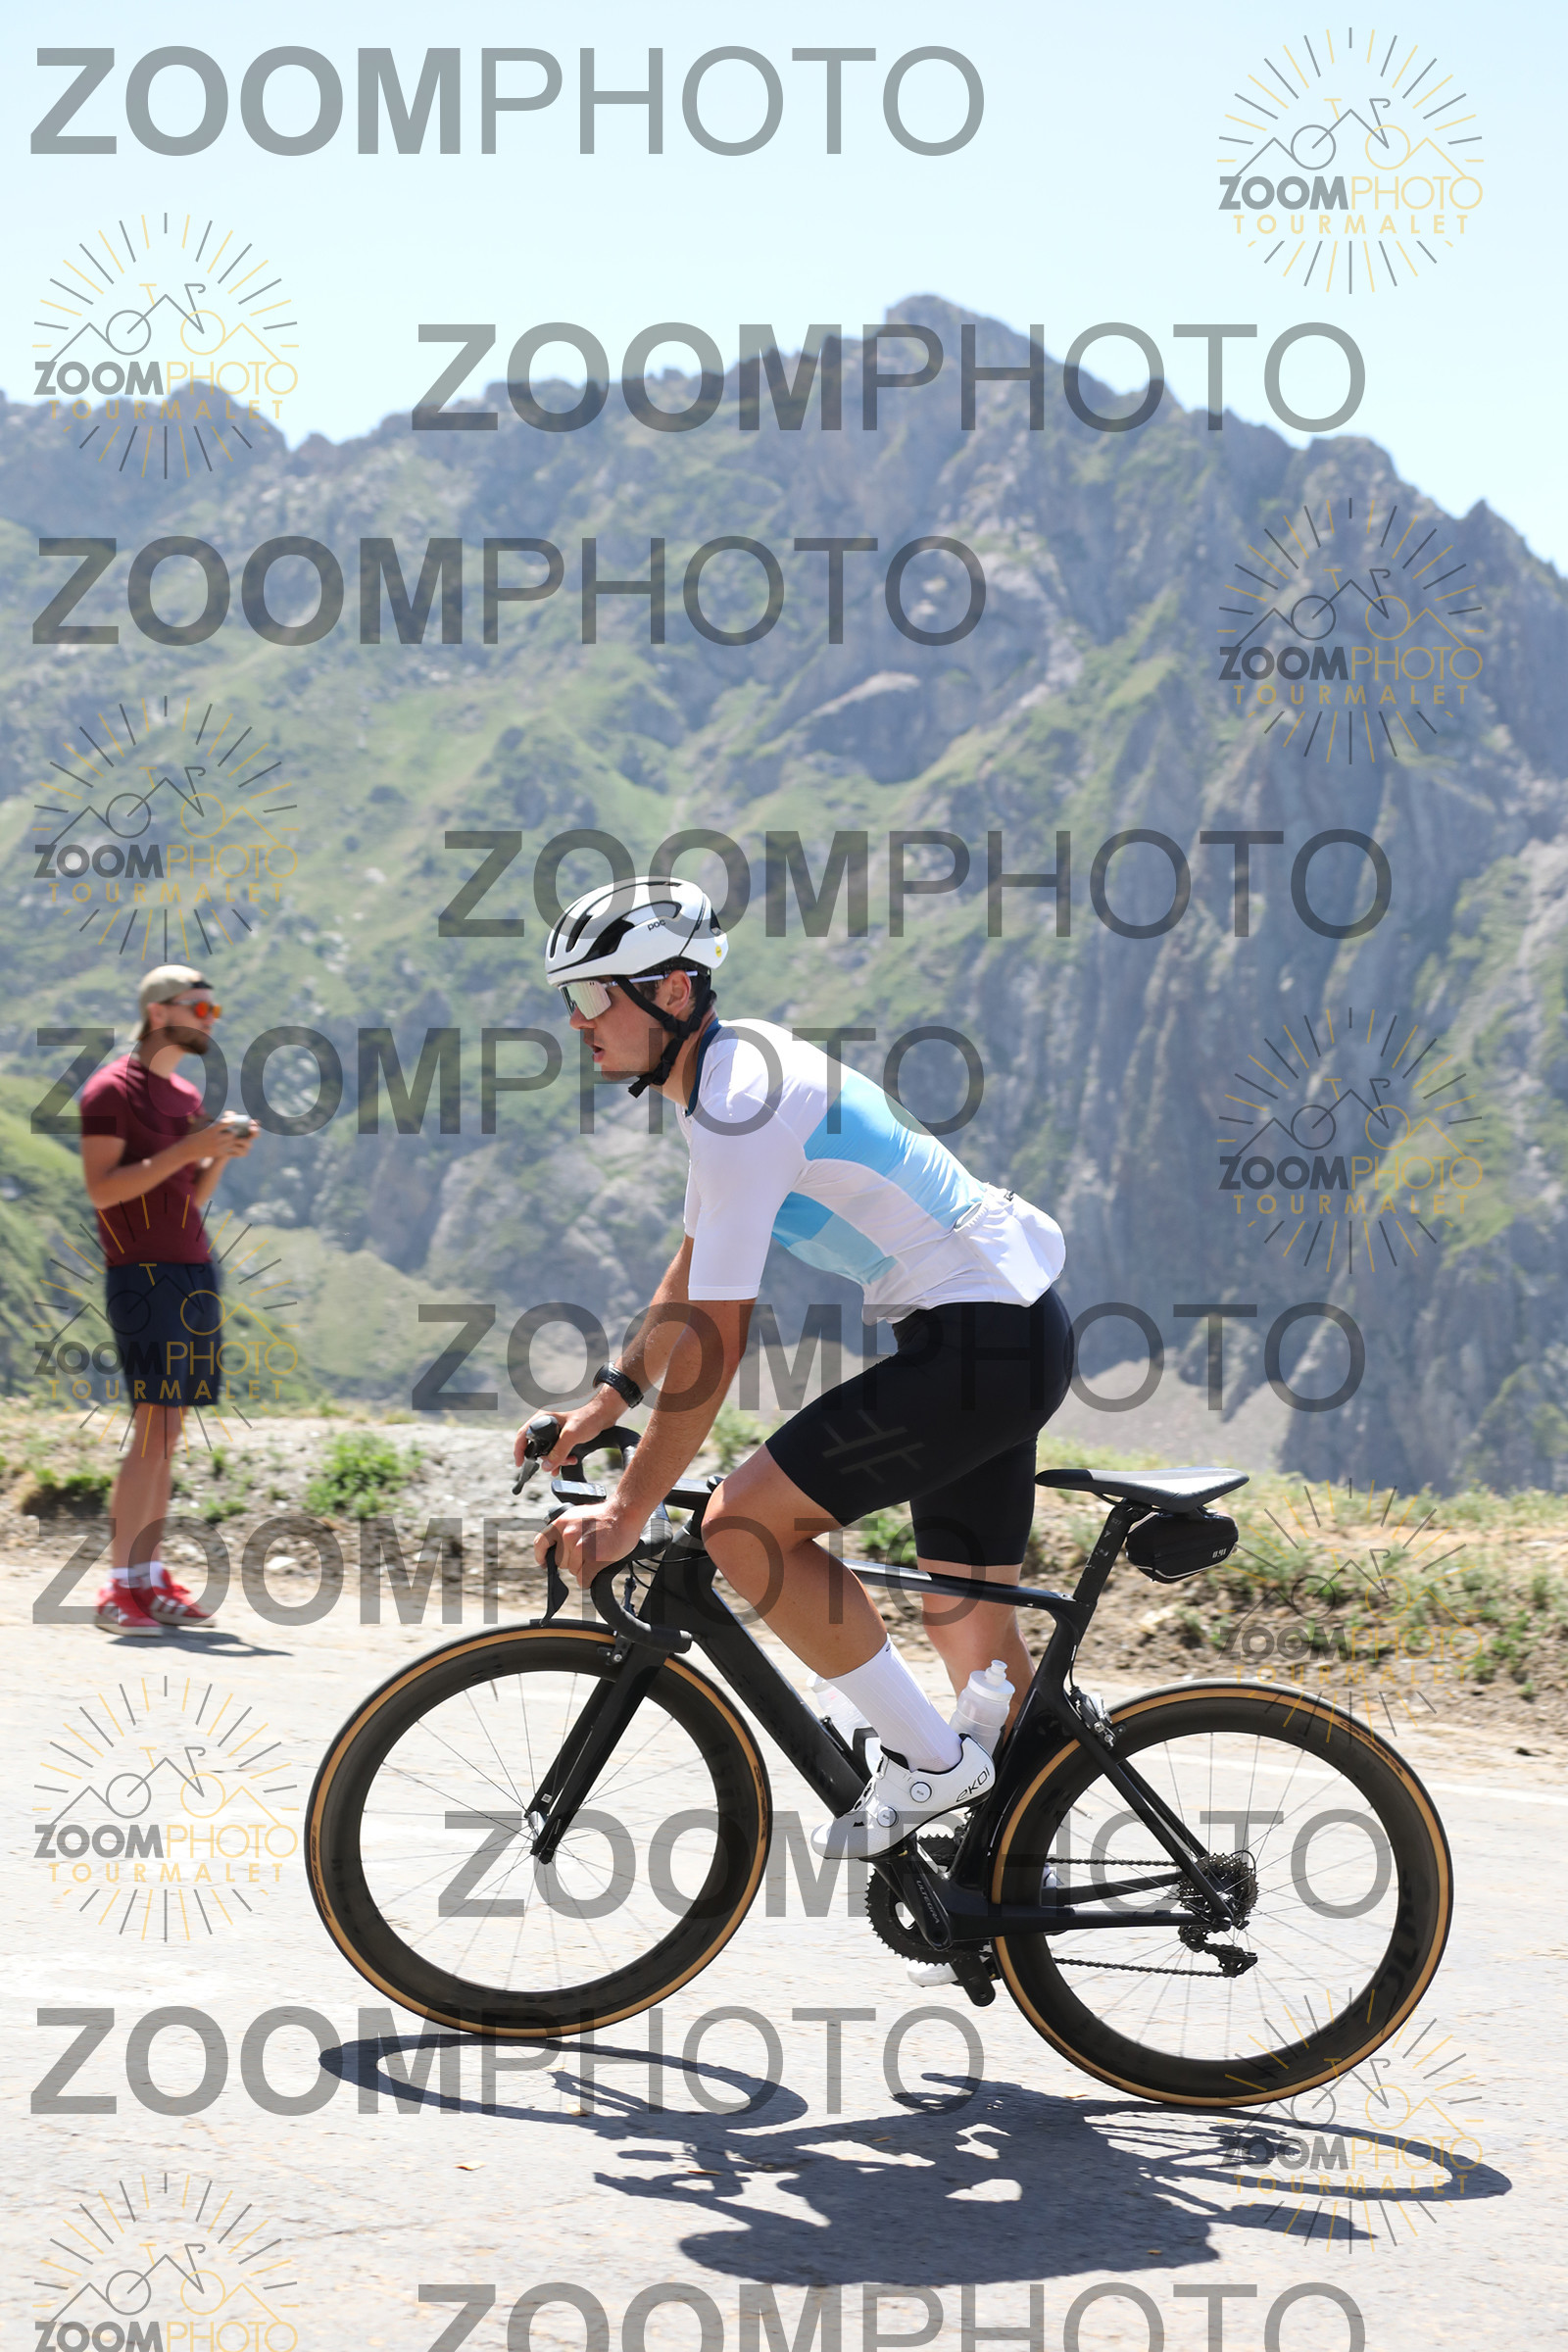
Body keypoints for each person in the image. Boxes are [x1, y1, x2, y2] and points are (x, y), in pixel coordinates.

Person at [521, 879, 1073, 1859]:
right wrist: (608, 1401)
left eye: (596, 995)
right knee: (968, 1630)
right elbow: (692, 1272)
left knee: (744, 1526)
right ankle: (1013, 1886)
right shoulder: (723, 1082)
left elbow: (715, 1340)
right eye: (572, 997)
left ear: (673, 992)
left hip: (980, 1344)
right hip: (999, 1333)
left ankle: (929, 1765)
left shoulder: (739, 1106)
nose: (579, 1020)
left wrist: (625, 1512)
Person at [77, 965, 256, 1630]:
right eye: (199, 1008)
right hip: (142, 1273)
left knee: (169, 1431)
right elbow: (103, 1189)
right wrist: (191, 1147)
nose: (210, 1018)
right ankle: (118, 1586)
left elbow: (187, 1195)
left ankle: (148, 1578)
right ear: (159, 1013)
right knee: (151, 1428)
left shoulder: (182, 1093)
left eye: (213, 1009)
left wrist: (219, 1155)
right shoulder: (110, 1089)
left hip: (191, 1269)